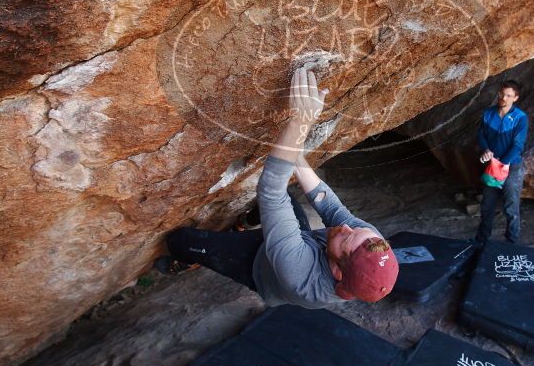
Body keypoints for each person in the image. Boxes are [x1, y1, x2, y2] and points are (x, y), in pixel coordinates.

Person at [163, 66, 399, 309]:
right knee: (289, 202)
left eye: (347, 238)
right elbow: (328, 204)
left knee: (180, 240)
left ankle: (185, 260)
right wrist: (288, 142)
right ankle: (246, 223)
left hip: (256, 264)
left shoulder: (299, 276)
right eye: (358, 230)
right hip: (302, 240)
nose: (347, 227)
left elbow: (271, 192)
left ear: (338, 271)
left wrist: (301, 121)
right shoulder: (369, 243)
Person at [475, 80, 528, 245]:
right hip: (493, 165)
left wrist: (502, 163)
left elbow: (518, 145)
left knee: (511, 206)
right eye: (502, 94)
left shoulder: (520, 118)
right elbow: (481, 135)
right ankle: (481, 241)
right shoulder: (488, 114)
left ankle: (511, 242)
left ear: (515, 98)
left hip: (511, 166)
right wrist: (485, 150)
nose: (503, 98)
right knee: (487, 205)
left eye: (508, 95)